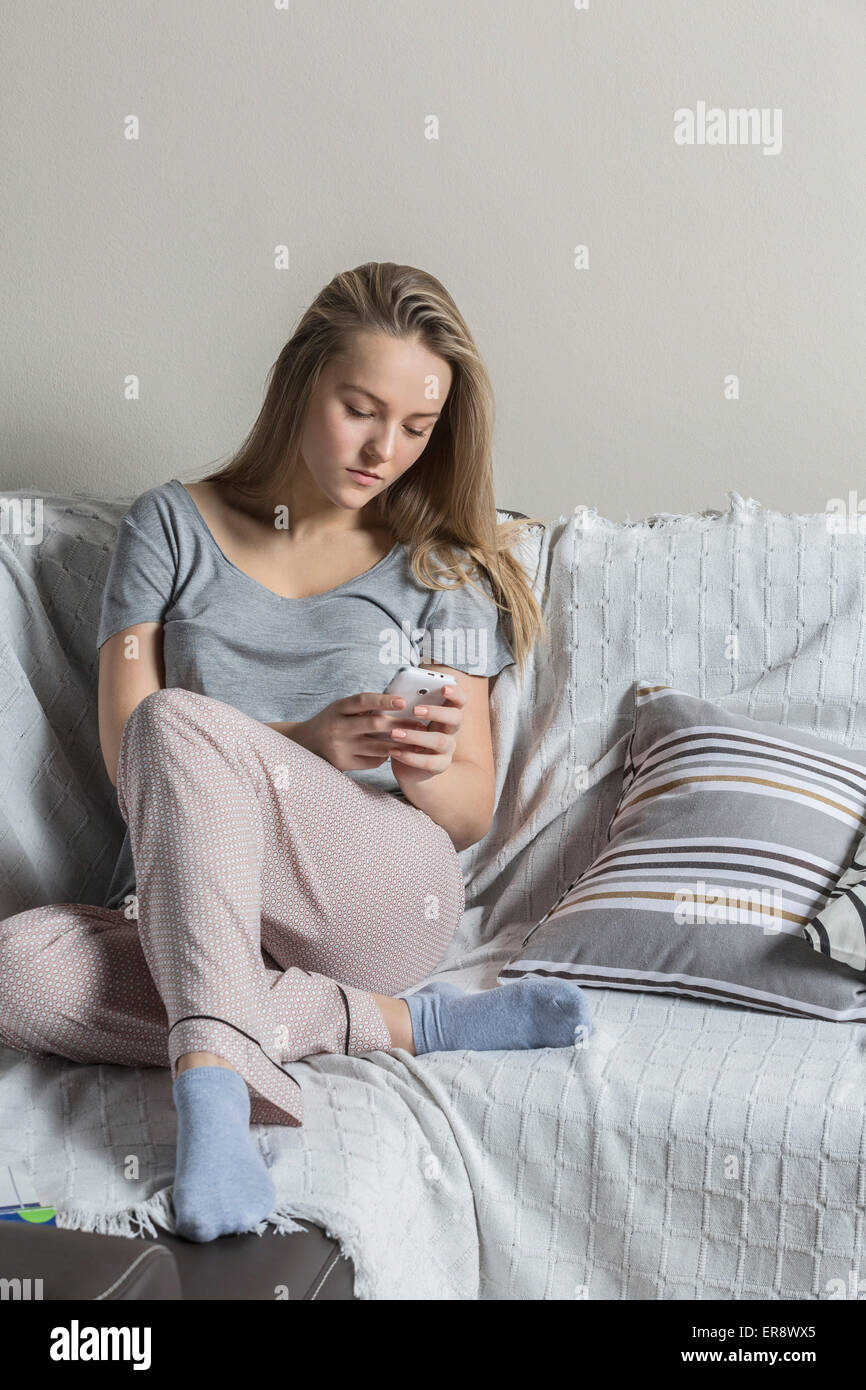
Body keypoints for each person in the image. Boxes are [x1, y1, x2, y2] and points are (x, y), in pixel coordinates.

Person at [0, 261, 592, 1243]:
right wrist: (295, 741)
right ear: (300, 382)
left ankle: (214, 1097)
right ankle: (407, 1026)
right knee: (14, 975)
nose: (383, 450)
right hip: (179, 903)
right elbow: (126, 748)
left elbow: (468, 808)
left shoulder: (438, 565)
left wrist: (419, 767)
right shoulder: (170, 527)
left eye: (414, 427)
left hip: (372, 886)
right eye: (360, 408)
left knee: (177, 725)